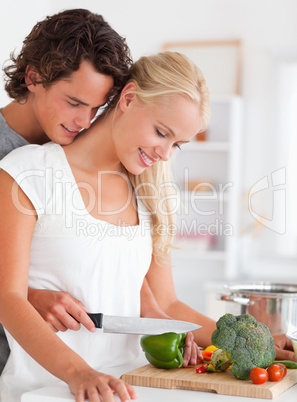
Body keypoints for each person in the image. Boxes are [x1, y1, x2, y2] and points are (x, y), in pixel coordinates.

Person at [0, 50, 208, 401]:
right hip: (45, 390)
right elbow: (9, 298)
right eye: (161, 132)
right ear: (127, 99)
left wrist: (263, 342)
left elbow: (162, 302)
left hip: (129, 387)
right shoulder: (28, 171)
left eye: (177, 145)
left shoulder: (147, 191)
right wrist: (78, 372)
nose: (165, 153)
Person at [0, 7, 133, 374]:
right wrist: (27, 297)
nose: (83, 121)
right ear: (33, 76)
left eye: (95, 108)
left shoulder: (78, 154)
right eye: (74, 103)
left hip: (55, 374)